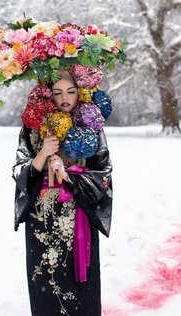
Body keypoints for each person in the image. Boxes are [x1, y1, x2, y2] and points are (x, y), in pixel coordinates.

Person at [12, 69, 113, 316]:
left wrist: (69, 175)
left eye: (71, 91)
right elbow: (18, 171)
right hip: (42, 216)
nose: (64, 97)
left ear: (80, 93)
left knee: (81, 285)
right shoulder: (34, 126)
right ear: (49, 96)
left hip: (78, 211)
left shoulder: (92, 126)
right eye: (57, 92)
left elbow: (104, 176)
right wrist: (43, 153)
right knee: (45, 277)